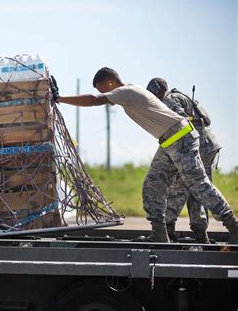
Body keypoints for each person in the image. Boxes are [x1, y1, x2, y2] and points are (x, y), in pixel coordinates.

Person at [50, 67, 238, 243]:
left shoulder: (125, 92)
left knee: (199, 186)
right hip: (170, 141)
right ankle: (160, 233)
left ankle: (233, 225)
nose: (106, 95)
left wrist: (59, 98)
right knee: (152, 184)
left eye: (103, 90)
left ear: (109, 84)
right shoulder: (131, 91)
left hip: (181, 138)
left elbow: (94, 99)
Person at [146, 78, 221, 243]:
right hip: (207, 145)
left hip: (195, 147)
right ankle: (201, 232)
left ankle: (168, 227)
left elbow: (179, 123)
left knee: (180, 188)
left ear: (156, 90)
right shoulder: (179, 96)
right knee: (198, 190)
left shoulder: (169, 99)